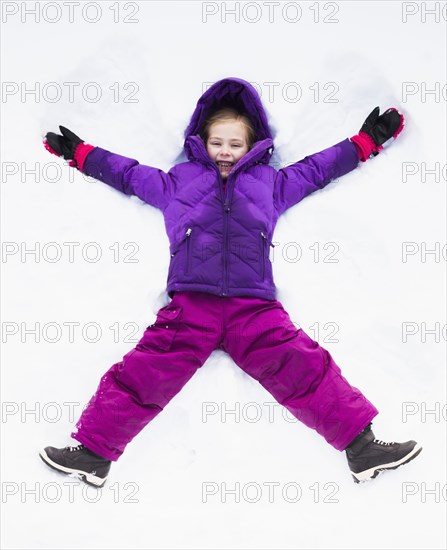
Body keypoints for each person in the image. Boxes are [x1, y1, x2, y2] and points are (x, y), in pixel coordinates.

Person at [39, 77, 422, 487]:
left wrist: (364, 143)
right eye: (217, 142)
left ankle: (363, 450)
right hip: (191, 306)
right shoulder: (177, 182)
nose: (225, 151)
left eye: (235, 144)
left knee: (305, 368)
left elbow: (317, 169)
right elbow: (129, 175)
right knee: (143, 373)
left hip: (253, 307)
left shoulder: (271, 185)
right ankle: (94, 454)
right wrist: (81, 154)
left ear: (253, 145)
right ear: (201, 141)